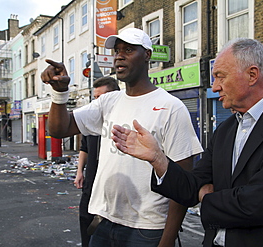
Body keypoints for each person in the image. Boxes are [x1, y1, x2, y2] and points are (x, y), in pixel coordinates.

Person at [111, 38, 263, 247]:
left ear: (252, 75)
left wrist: (205, 197)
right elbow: (191, 187)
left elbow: (258, 204)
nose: (214, 86)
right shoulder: (226, 129)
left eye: (220, 76)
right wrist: (158, 159)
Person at [41, 27, 203, 246]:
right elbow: (60, 129)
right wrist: (59, 92)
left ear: (147, 55)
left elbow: (182, 183)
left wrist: (167, 239)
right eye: (117, 51)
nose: (119, 56)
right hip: (103, 221)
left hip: (147, 229)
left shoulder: (171, 107)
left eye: (128, 50)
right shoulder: (109, 102)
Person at [73, 76, 120, 247]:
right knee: (86, 224)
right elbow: (84, 148)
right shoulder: (91, 120)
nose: (96, 103)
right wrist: (79, 172)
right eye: (94, 98)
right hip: (91, 184)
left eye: (100, 98)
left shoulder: (122, 120)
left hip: (114, 187)